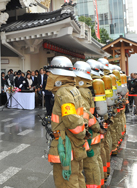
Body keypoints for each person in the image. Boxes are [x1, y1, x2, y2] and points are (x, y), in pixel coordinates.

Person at [46, 56, 87, 188]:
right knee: (77, 176)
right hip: (75, 143)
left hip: (66, 145)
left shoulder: (63, 92)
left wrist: (80, 134)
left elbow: (71, 120)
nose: (48, 76)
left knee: (66, 182)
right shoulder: (73, 90)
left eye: (51, 73)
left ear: (58, 75)